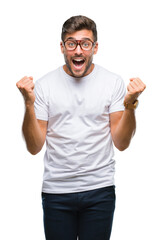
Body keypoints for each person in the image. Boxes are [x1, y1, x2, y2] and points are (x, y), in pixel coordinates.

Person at [16, 15, 146, 240]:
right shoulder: (45, 86)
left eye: (85, 43)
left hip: (99, 190)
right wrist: (28, 104)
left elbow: (122, 143)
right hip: (57, 191)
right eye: (71, 43)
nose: (78, 50)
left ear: (95, 47)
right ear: (62, 47)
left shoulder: (112, 82)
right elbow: (34, 146)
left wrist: (130, 105)